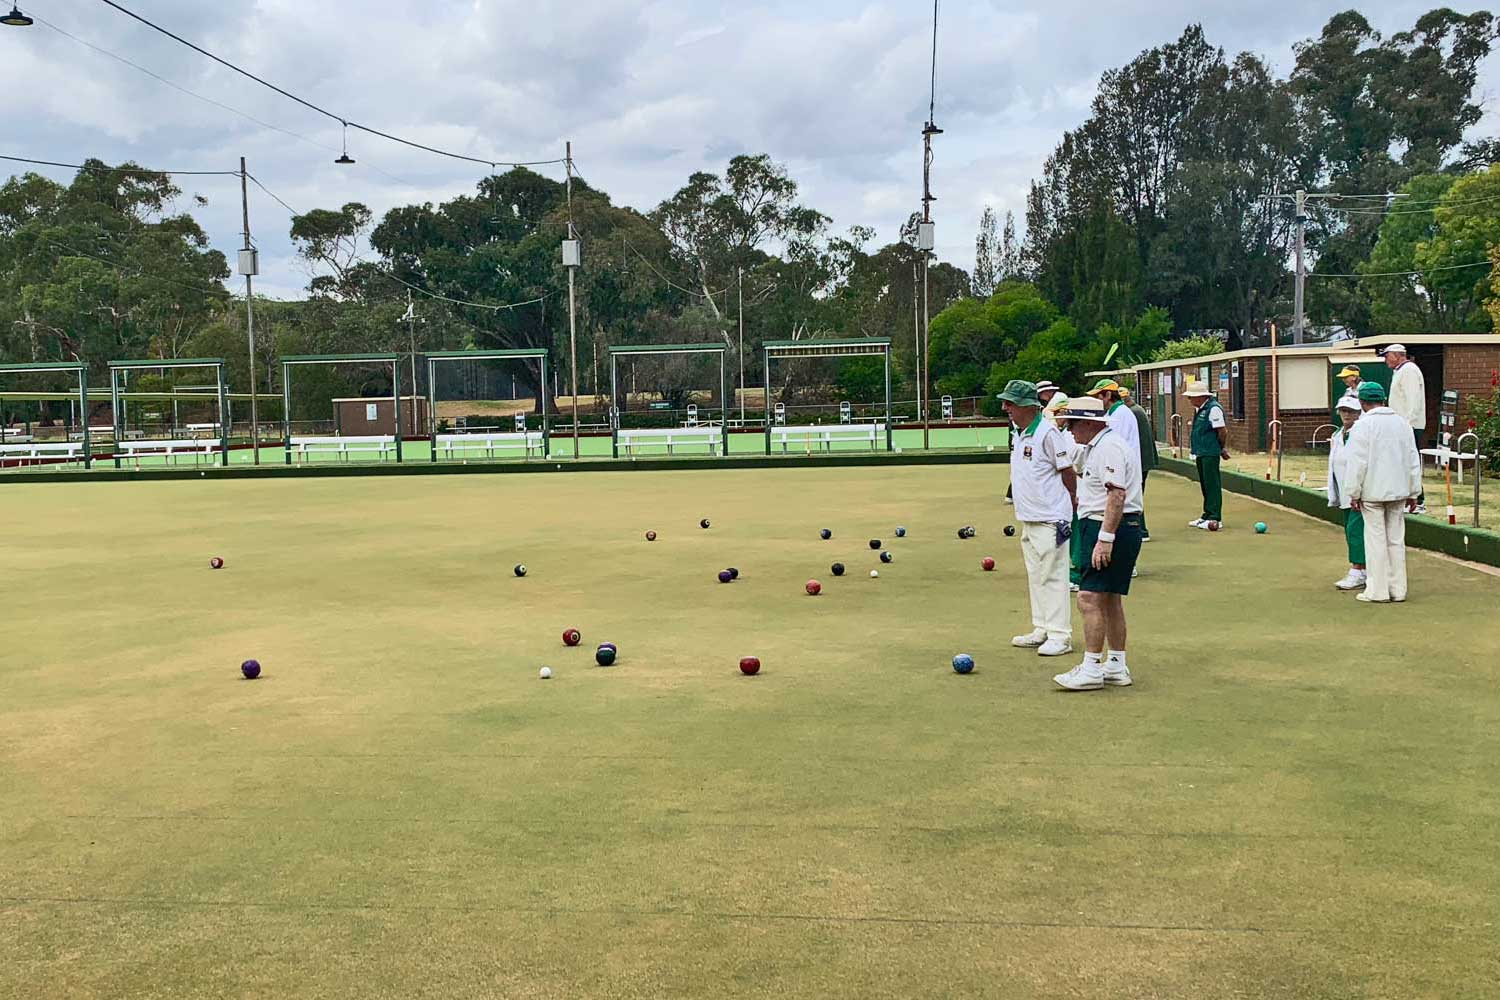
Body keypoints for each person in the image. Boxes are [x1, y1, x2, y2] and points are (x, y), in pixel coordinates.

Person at [1051, 396, 1143, 691]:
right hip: (1114, 526)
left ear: (1090, 423)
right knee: (1109, 598)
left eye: (1073, 423)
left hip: (1108, 526)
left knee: (1088, 598)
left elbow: (1116, 495)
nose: (1070, 430)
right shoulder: (1096, 446)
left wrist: (1105, 539)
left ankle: (1091, 668)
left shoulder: (1109, 448)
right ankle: (1116, 665)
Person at [996, 380, 1077, 657]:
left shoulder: (1047, 432)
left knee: (1054, 576)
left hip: (1051, 517)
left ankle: (1060, 635)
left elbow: (1067, 471)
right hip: (1029, 517)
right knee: (1037, 575)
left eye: (1011, 403)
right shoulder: (1019, 433)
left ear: (1030, 406)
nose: (1005, 407)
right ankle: (1042, 627)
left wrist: (1072, 504)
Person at [1343, 381, 1423, 604]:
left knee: (1375, 540)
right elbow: (1412, 460)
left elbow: (1357, 463)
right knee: (1396, 540)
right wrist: (1414, 491)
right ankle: (1398, 590)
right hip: (1398, 491)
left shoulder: (1361, 426)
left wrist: (1353, 493)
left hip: (1372, 492)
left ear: (1362, 402)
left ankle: (1377, 591)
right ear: (1383, 399)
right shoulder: (1402, 424)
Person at [1379, 344, 1427, 513]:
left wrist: (1406, 424)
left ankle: (1418, 500)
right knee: (1402, 462)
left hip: (1409, 426)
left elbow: (1413, 399)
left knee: (1409, 461)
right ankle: (1409, 499)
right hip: (1402, 425)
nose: (1385, 360)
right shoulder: (1400, 371)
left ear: (1398, 355)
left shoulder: (1409, 370)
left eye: (1387, 356)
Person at [1326, 395, 1367, 591]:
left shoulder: (1362, 433)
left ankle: (1358, 570)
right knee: (1350, 531)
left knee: (1355, 530)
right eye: (1343, 410)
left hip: (1358, 492)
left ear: (1360, 412)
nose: (1346, 414)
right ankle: (1363, 569)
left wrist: (1357, 491)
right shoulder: (1336, 435)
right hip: (1343, 492)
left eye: (1351, 411)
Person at [1184, 381, 1229, 530]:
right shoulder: (1200, 409)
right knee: (1205, 484)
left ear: (1201, 396)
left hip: (1210, 452)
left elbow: (1222, 431)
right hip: (1201, 451)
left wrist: (1220, 448)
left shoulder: (1214, 409)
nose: (1189, 400)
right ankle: (1207, 514)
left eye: (1192, 397)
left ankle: (1215, 517)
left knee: (1212, 484)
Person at [1119, 387, 1157, 542]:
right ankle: (1142, 530)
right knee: (1137, 495)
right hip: (1143, 460)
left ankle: (1141, 530)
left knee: (1134, 496)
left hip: (1139, 461)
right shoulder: (1136, 410)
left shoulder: (1131, 413)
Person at [1085, 378, 1139, 452]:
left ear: (1108, 395)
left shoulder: (1121, 413)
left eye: (1098, 396)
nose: (1096, 400)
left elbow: (1114, 443)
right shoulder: (1112, 412)